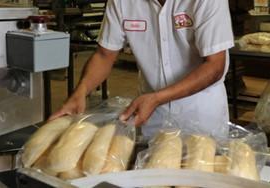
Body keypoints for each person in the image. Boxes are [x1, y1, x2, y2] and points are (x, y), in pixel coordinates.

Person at [50, 0, 234, 139]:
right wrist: (81, 91)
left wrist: (157, 98)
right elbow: (104, 55)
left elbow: (215, 65)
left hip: (200, 115)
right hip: (152, 116)